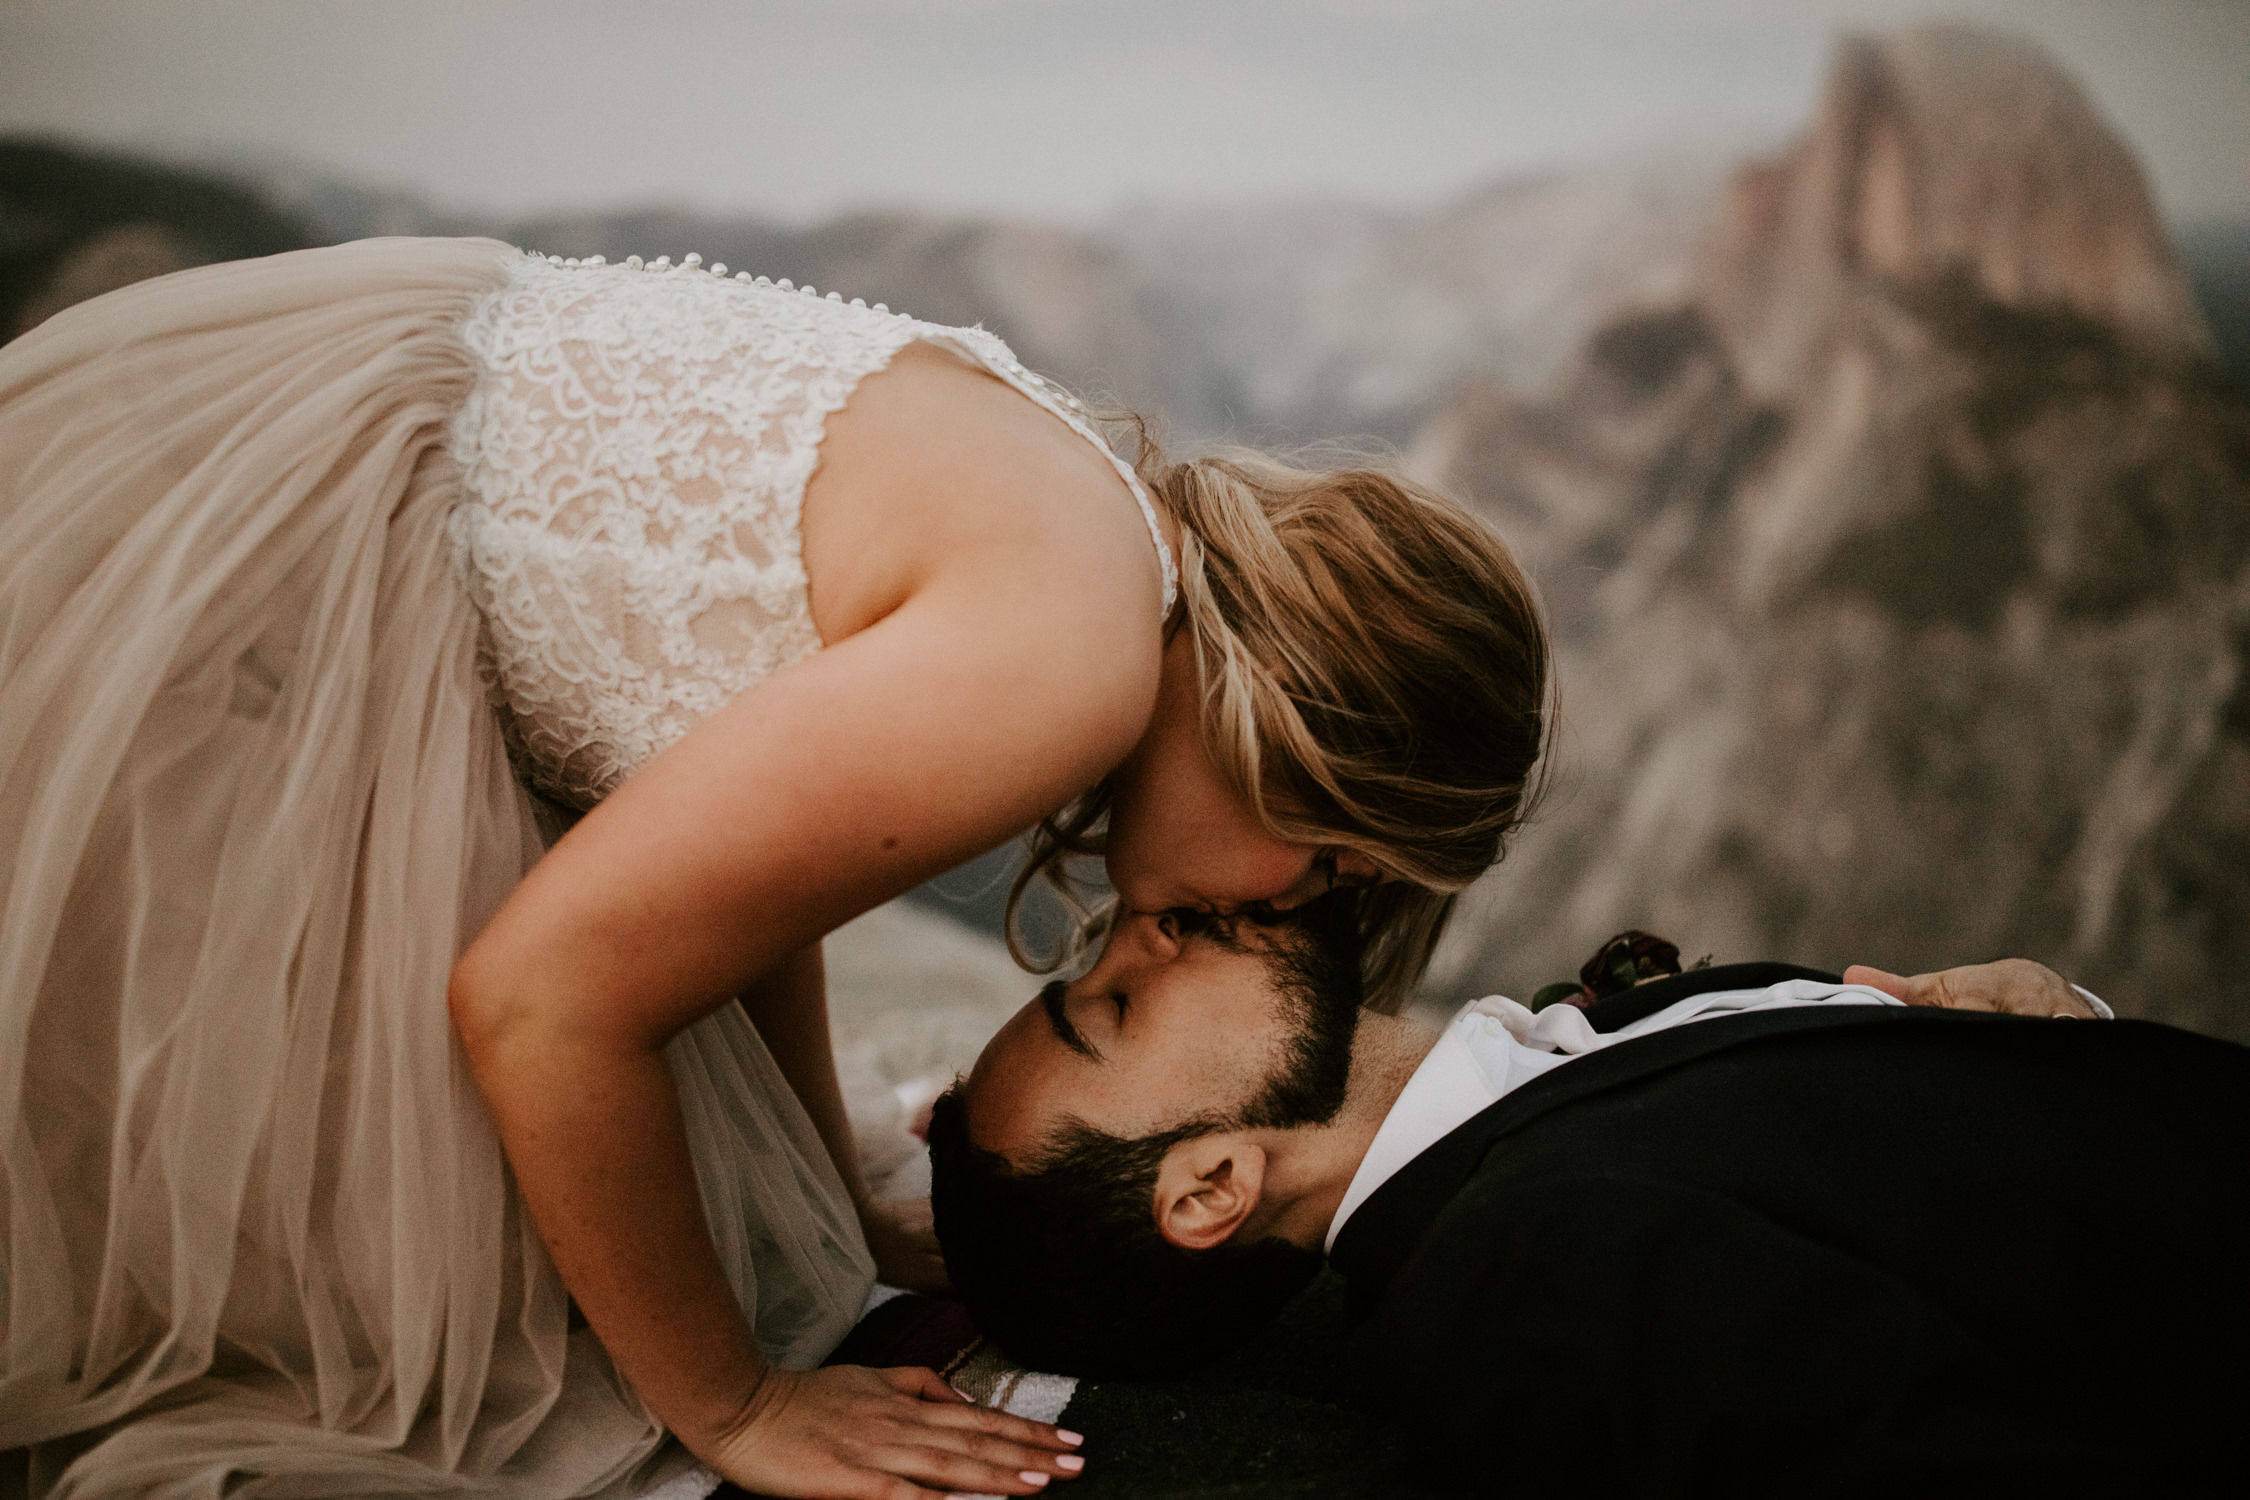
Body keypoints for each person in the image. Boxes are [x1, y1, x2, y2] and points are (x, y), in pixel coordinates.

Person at [0, 239, 1547, 1498]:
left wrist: (828, 1188)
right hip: (304, 606)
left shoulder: (1094, 534)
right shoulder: (1066, 660)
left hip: (310, 455)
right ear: (1306, 746)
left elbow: (751, 882)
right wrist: (737, 1407)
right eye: (1334, 867)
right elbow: (539, 999)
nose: (1282, 914)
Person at [930, 902, 2250, 1495]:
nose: (1144, 929)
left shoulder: (1552, 1083)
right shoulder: (1523, 1274)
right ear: (1212, 1186)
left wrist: (2060, 1029)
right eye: (1112, 1005)